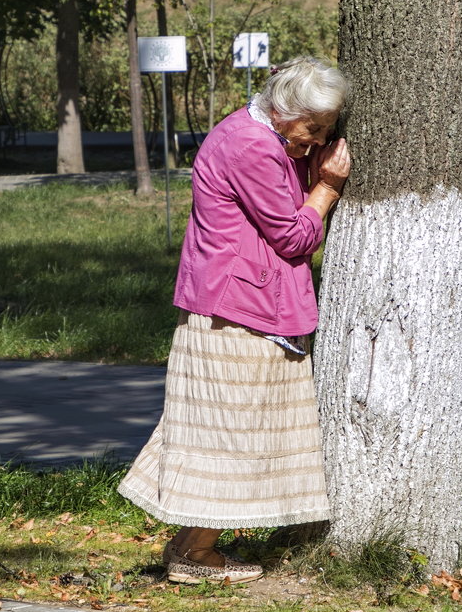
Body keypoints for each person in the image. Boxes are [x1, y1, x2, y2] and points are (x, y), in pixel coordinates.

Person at [118, 56, 351, 584]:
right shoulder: (252, 145)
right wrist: (328, 188)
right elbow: (292, 236)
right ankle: (194, 556)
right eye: (312, 130)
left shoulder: (256, 132)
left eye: (325, 133)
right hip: (237, 309)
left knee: (230, 427)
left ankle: (188, 548)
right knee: (230, 431)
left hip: (242, 303)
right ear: (284, 109)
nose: (316, 142)